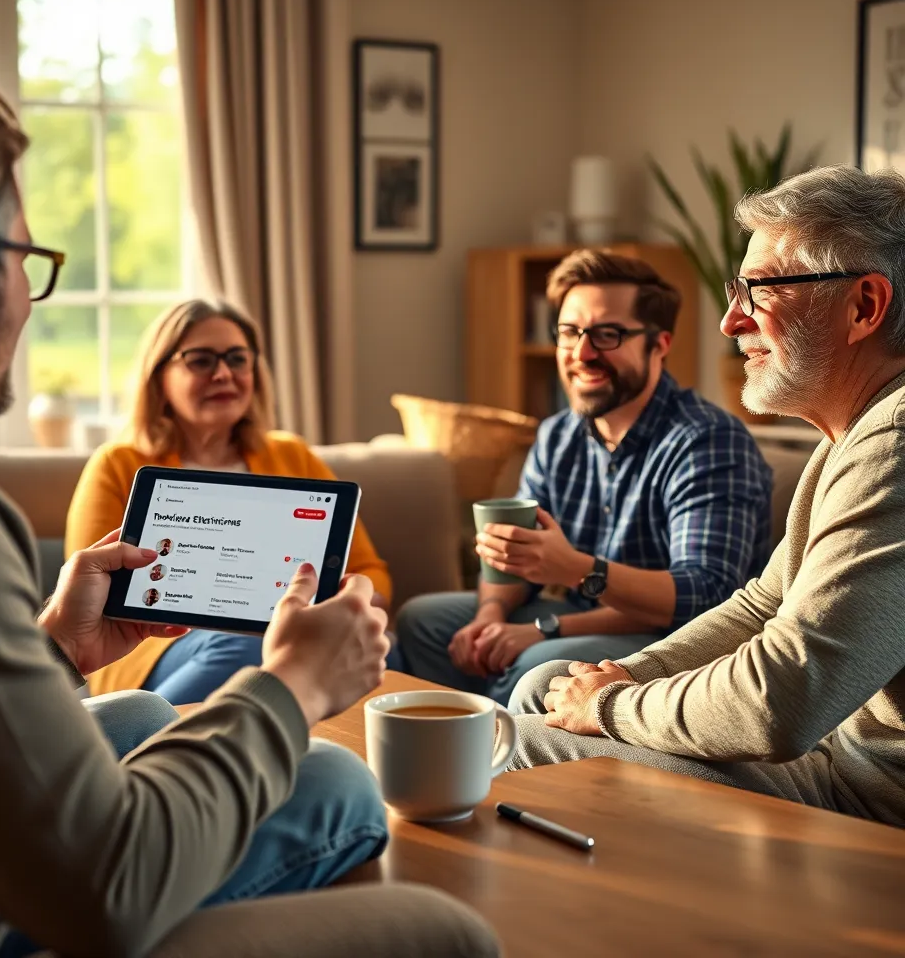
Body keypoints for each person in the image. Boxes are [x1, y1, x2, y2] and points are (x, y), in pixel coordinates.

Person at [0, 39, 499, 958]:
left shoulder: (288, 455)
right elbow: (108, 893)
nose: (27, 292)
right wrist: (292, 682)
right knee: (439, 924)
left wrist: (59, 643)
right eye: (25, 257)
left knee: (229, 745)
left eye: (236, 358)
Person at [506, 165, 905, 828]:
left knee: (518, 742)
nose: (728, 322)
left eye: (761, 290)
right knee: (541, 687)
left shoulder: (893, 443)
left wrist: (607, 706)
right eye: (735, 291)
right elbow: (761, 606)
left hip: (868, 799)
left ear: (864, 306)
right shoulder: (851, 435)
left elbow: (784, 697)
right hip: (835, 759)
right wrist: (622, 677)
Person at [395, 250, 773, 704]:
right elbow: (516, 558)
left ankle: (498, 757)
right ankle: (458, 747)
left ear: (660, 344)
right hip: (578, 613)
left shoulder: (708, 441)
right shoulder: (558, 436)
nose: (582, 353)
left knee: (536, 667)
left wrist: (555, 603)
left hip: (682, 639)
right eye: (569, 332)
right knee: (423, 621)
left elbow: (705, 596)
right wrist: (490, 616)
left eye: (607, 335)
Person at [65, 299, 393, 704]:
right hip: (150, 649)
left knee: (377, 648)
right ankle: (145, 753)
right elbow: (100, 592)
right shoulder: (117, 464)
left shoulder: (293, 456)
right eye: (201, 361)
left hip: (287, 634)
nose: (224, 373)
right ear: (159, 377)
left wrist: (345, 601)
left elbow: (369, 570)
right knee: (241, 647)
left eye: (238, 359)